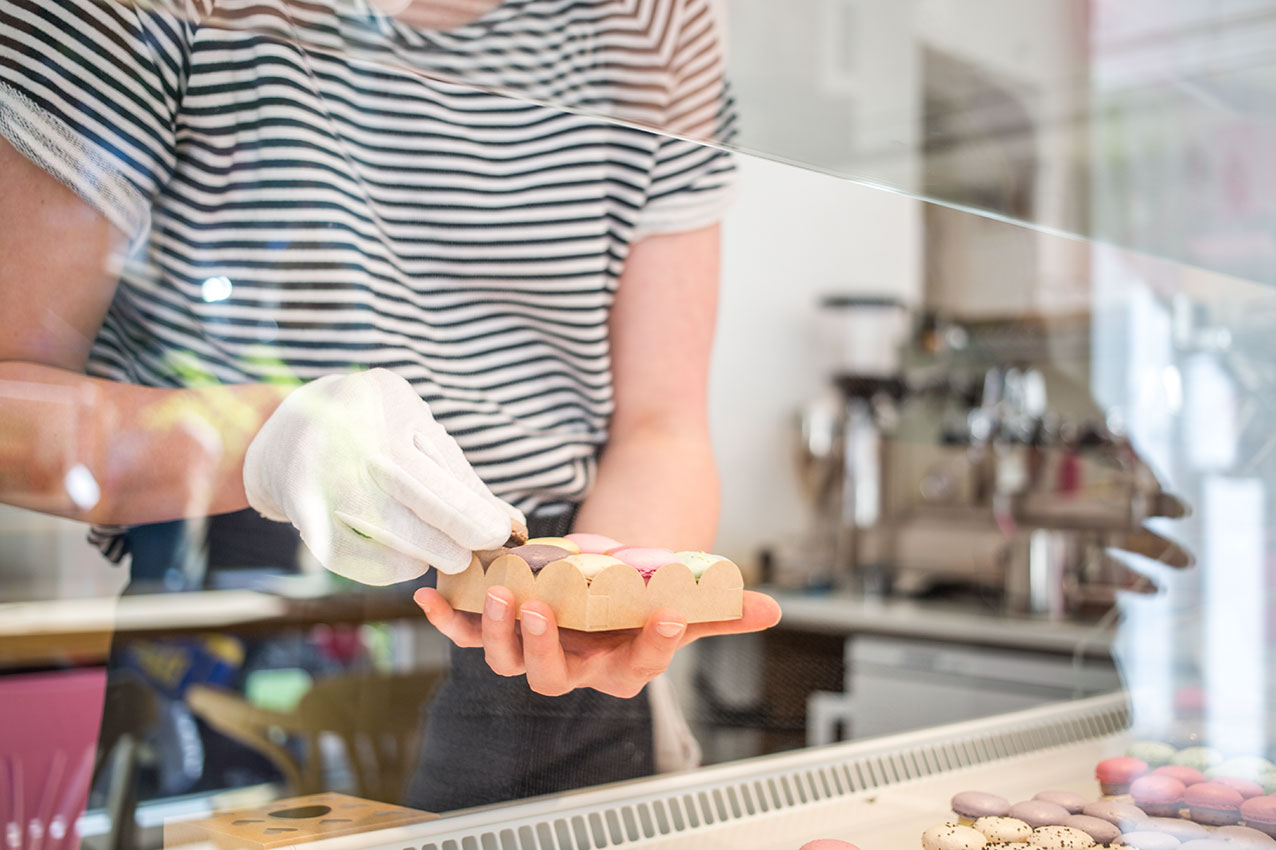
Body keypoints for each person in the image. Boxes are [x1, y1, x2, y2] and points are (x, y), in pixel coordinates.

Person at [0, 0, 780, 810]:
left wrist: (612, 586)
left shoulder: (657, 18)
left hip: (558, 634)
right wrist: (263, 447)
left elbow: (664, 426)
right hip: (251, 624)